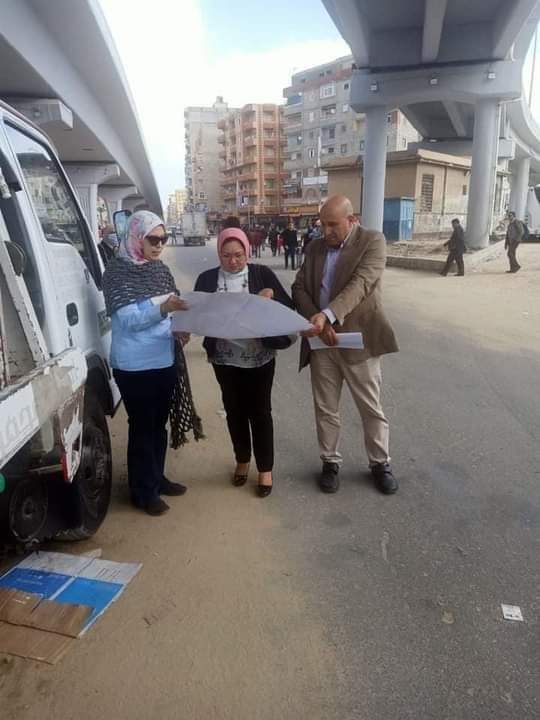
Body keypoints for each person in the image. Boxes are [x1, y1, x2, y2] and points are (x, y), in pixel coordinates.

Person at [292, 195, 399, 495]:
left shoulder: (372, 242)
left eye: (333, 225)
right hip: (321, 342)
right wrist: (318, 321)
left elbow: (361, 284)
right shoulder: (314, 248)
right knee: (326, 407)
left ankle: (380, 463)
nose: (326, 231)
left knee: (370, 407)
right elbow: (298, 287)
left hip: (357, 341)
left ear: (352, 220)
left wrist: (328, 316)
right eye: (322, 225)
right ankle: (329, 462)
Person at [103, 211, 203, 516]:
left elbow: (173, 311)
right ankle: (143, 492)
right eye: (153, 239)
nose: (159, 245)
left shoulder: (160, 270)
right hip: (134, 367)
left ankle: (156, 479)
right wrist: (164, 309)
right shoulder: (117, 273)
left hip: (164, 359)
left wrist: (180, 327)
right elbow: (129, 320)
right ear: (136, 237)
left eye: (163, 239)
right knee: (143, 427)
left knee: (158, 425)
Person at [194, 224, 294, 497]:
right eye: (226, 255)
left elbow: (287, 308)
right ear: (219, 254)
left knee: (260, 412)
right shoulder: (207, 279)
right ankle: (242, 459)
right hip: (225, 359)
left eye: (238, 255)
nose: (233, 261)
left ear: (247, 252)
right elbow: (197, 315)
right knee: (234, 410)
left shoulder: (262, 274)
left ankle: (265, 469)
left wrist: (270, 300)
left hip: (260, 358)